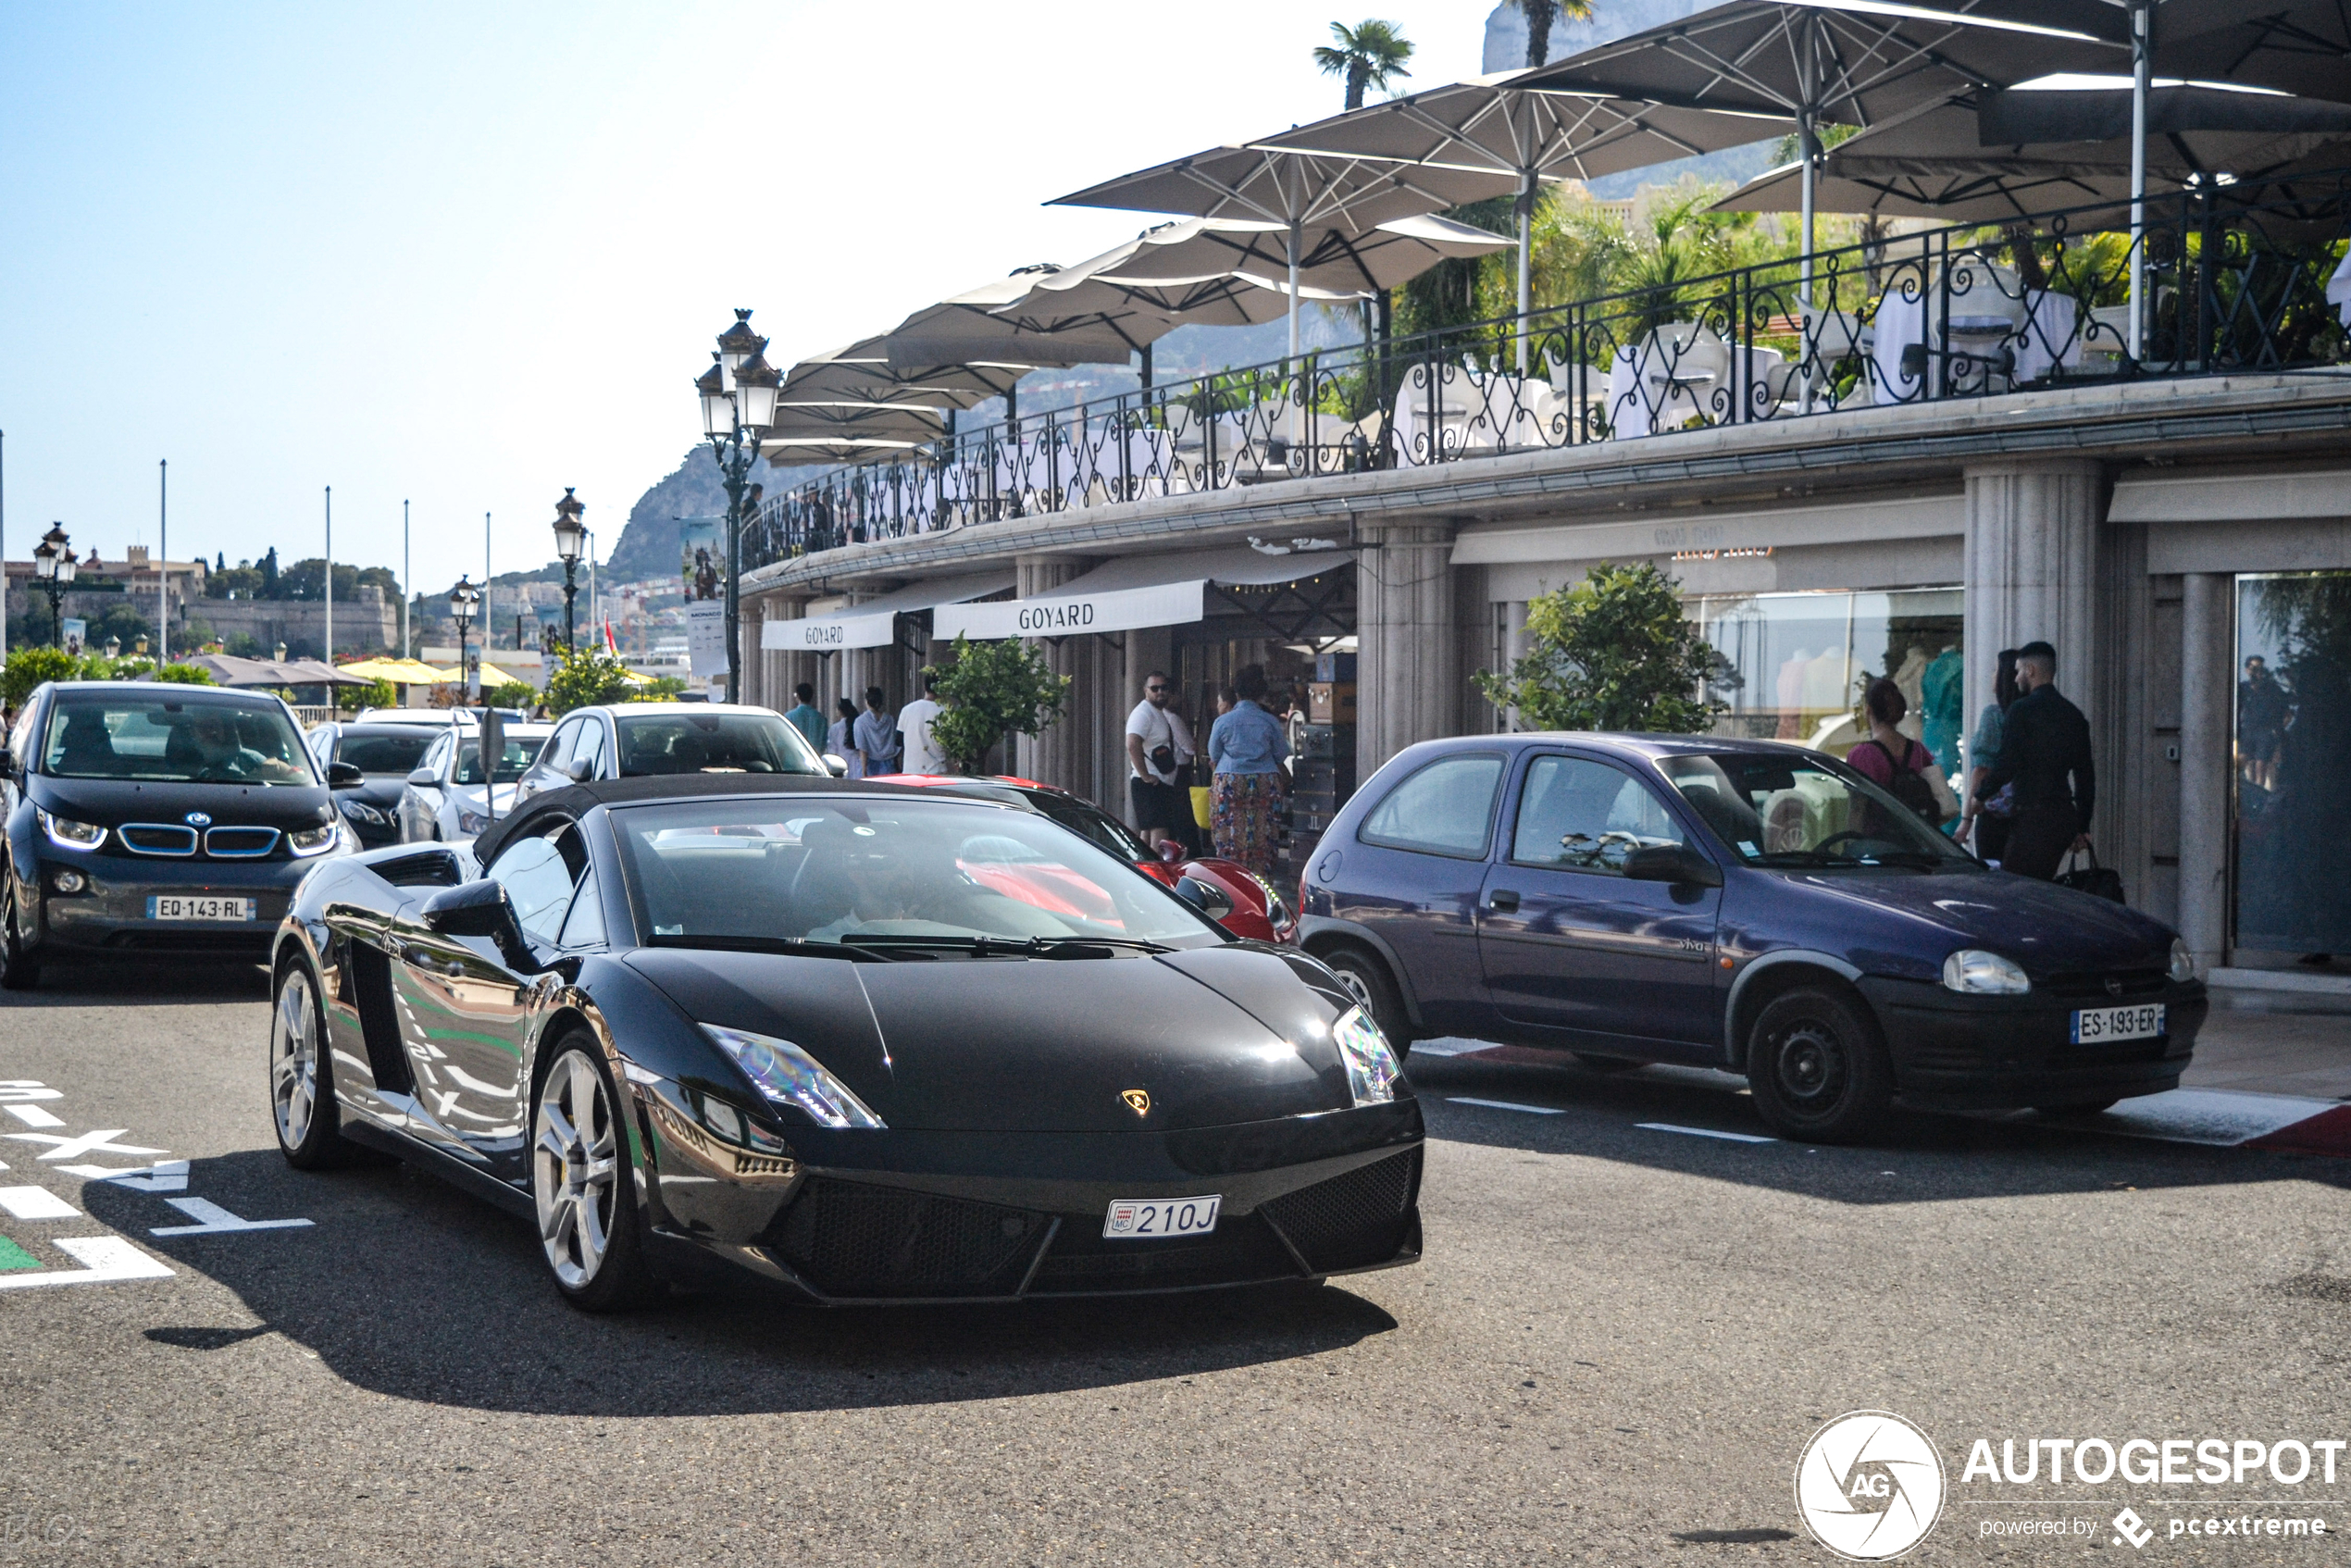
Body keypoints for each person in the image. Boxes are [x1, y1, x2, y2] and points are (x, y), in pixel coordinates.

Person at [1978, 641, 2095, 880]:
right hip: (2062, 815)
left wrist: (1980, 794)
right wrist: (2082, 826)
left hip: (2032, 815)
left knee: (2016, 890)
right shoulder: (2074, 715)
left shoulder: (2021, 710)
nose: (2015, 678)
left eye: (2019, 670)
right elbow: (2085, 776)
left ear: (2030, 670)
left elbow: (2007, 763)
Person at [1208, 664, 1288, 875]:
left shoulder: (1223, 721)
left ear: (1236, 693)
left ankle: (1232, 879)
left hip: (1230, 782)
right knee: (1263, 836)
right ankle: (1261, 883)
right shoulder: (1269, 721)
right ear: (1261, 693)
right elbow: (1282, 753)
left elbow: (1214, 754)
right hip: (1264, 783)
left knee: (1229, 836)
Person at [1847, 678, 1947, 829]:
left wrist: (1850, 842)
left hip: (1878, 842)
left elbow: (1857, 807)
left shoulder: (1861, 754)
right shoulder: (1918, 750)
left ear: (1868, 710)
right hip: (1918, 839)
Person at [1957, 649, 2021, 862]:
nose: (1992, 675)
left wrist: (1967, 819)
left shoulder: (1994, 715)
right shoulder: (2031, 715)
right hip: (2026, 813)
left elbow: (1982, 769)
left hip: (1994, 812)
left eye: (1995, 670)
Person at [1125, 670, 1185, 848]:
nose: (1160, 692)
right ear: (1145, 690)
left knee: (1148, 832)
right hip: (1150, 783)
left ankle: (1144, 870)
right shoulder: (1143, 713)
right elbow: (1132, 743)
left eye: (1164, 688)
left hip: (1159, 782)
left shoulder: (1157, 712)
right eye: (1154, 688)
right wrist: (1145, 776)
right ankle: (1156, 872)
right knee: (1160, 832)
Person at [897, 676, 945, 776]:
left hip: (910, 770)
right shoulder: (945, 712)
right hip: (937, 770)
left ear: (924, 687)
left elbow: (898, 740)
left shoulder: (907, 710)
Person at [853, 686, 899, 777]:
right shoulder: (890, 720)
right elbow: (895, 741)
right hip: (888, 762)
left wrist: (863, 771)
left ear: (867, 701)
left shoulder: (860, 721)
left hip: (869, 763)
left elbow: (862, 748)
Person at [782, 682, 827, 758]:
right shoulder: (821, 718)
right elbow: (824, 743)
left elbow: (783, 742)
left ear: (797, 696)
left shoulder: (789, 716)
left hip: (794, 760)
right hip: (815, 761)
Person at [827, 697, 864, 780]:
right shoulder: (857, 724)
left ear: (840, 711)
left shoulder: (835, 728)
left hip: (841, 763)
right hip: (856, 763)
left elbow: (832, 749)